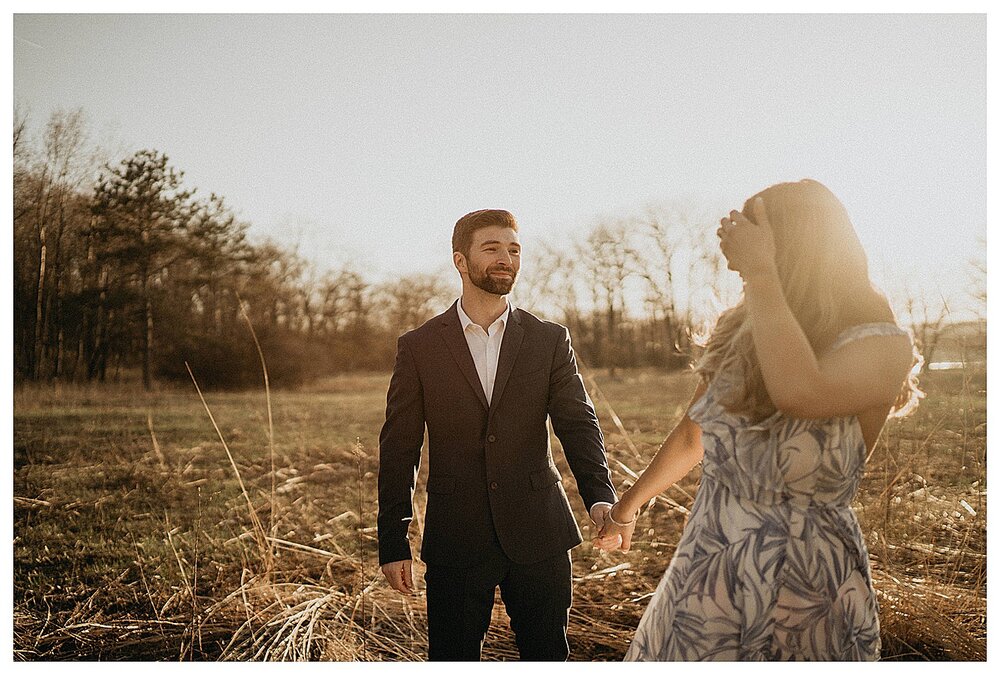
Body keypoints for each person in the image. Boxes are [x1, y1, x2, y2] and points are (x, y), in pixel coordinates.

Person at [595, 179, 923, 661]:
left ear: (790, 245)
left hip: (805, 568)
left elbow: (800, 392)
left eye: (751, 240)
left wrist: (763, 276)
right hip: (712, 556)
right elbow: (693, 434)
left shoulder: (881, 342)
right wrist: (627, 508)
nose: (735, 261)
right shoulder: (739, 329)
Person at [377, 209, 618, 661]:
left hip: (540, 531)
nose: (506, 258)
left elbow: (578, 424)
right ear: (460, 260)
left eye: (513, 250)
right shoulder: (420, 345)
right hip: (457, 536)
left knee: (547, 656)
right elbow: (399, 447)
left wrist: (599, 497)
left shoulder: (549, 339)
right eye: (491, 248)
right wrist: (393, 540)